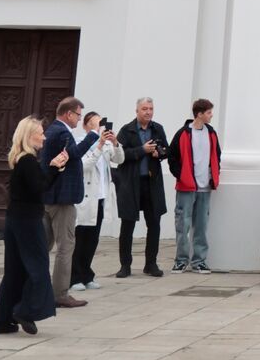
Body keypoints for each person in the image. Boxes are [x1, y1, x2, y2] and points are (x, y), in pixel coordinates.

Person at [0, 118, 69, 335]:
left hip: (15, 220)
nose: (44, 137)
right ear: (29, 135)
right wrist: (54, 168)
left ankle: (1, 321)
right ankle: (25, 311)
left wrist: (53, 168)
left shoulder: (21, 159)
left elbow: (37, 186)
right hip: (27, 222)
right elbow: (40, 189)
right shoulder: (27, 161)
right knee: (38, 268)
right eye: (40, 133)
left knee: (14, 271)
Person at [41, 96, 101, 309]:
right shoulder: (62, 132)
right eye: (78, 115)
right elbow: (74, 154)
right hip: (61, 199)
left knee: (41, 245)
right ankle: (60, 293)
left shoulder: (54, 130)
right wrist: (93, 133)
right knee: (66, 247)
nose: (79, 118)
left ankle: (13, 284)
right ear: (68, 114)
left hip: (51, 196)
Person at [113, 98, 169, 278]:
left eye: (151, 108)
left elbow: (166, 150)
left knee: (154, 224)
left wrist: (159, 153)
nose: (148, 112)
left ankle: (151, 264)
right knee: (127, 224)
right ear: (136, 110)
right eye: (144, 108)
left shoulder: (157, 128)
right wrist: (142, 150)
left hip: (151, 182)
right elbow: (119, 155)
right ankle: (125, 265)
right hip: (131, 182)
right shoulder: (127, 130)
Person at [168, 98, 221, 274]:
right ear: (199, 114)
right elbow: (172, 157)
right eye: (209, 112)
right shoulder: (183, 133)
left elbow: (217, 155)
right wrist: (181, 176)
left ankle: (199, 261)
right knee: (182, 225)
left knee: (201, 226)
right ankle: (181, 260)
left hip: (205, 187)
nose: (211, 115)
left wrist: (214, 174)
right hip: (186, 187)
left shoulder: (211, 133)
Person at [72, 112, 123, 291]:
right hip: (85, 197)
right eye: (95, 124)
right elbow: (83, 165)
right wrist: (99, 145)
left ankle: (87, 275)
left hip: (101, 197)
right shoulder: (79, 142)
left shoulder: (107, 143)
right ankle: (74, 277)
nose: (99, 128)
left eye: (100, 124)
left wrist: (115, 143)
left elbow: (120, 159)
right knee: (80, 239)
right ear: (86, 126)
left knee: (92, 240)